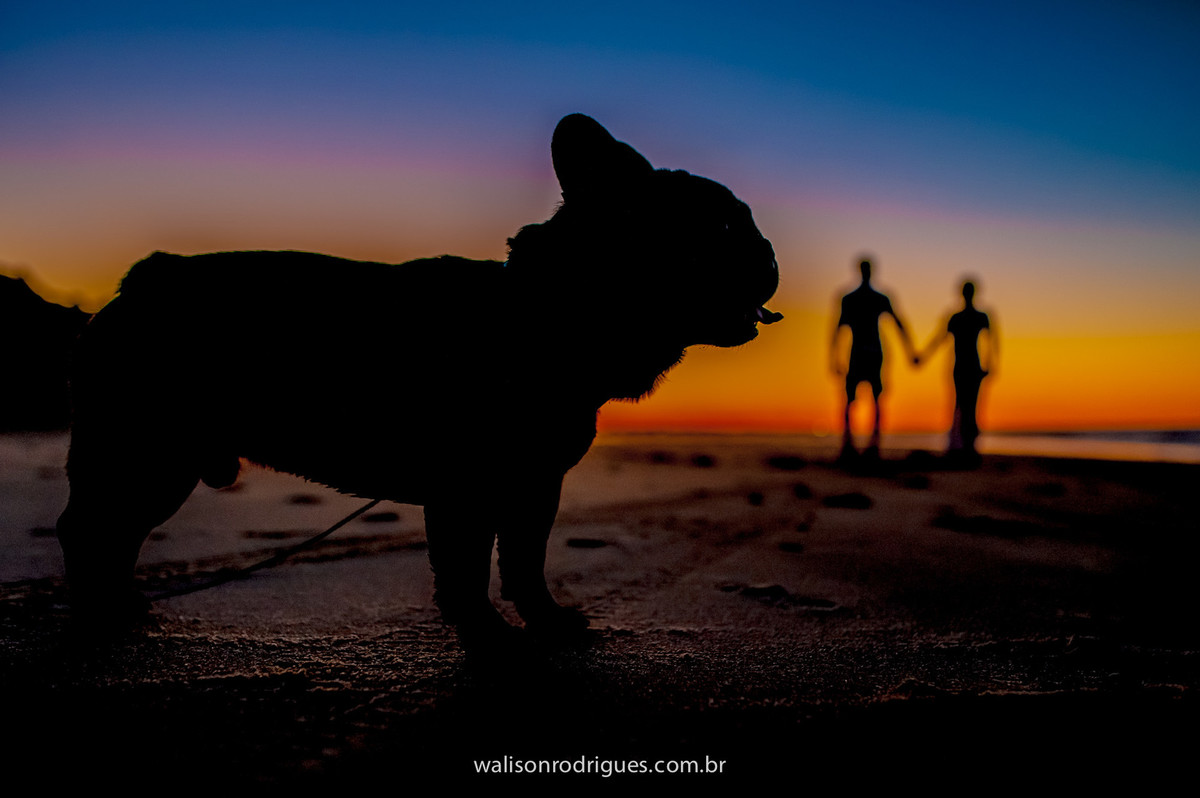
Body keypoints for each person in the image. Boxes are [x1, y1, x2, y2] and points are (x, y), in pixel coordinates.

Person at [830, 258, 916, 460]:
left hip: (867, 352)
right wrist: (834, 357)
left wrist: (910, 351)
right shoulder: (856, 299)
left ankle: (867, 444)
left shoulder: (859, 298)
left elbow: (898, 323)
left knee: (867, 399)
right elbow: (838, 329)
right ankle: (855, 443)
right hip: (865, 351)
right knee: (857, 399)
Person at [919, 279, 996, 463]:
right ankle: (959, 444)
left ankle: (967, 445)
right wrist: (924, 356)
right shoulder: (958, 318)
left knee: (970, 406)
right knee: (962, 405)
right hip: (962, 366)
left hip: (971, 366)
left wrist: (989, 363)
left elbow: (990, 342)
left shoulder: (978, 317)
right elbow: (939, 339)